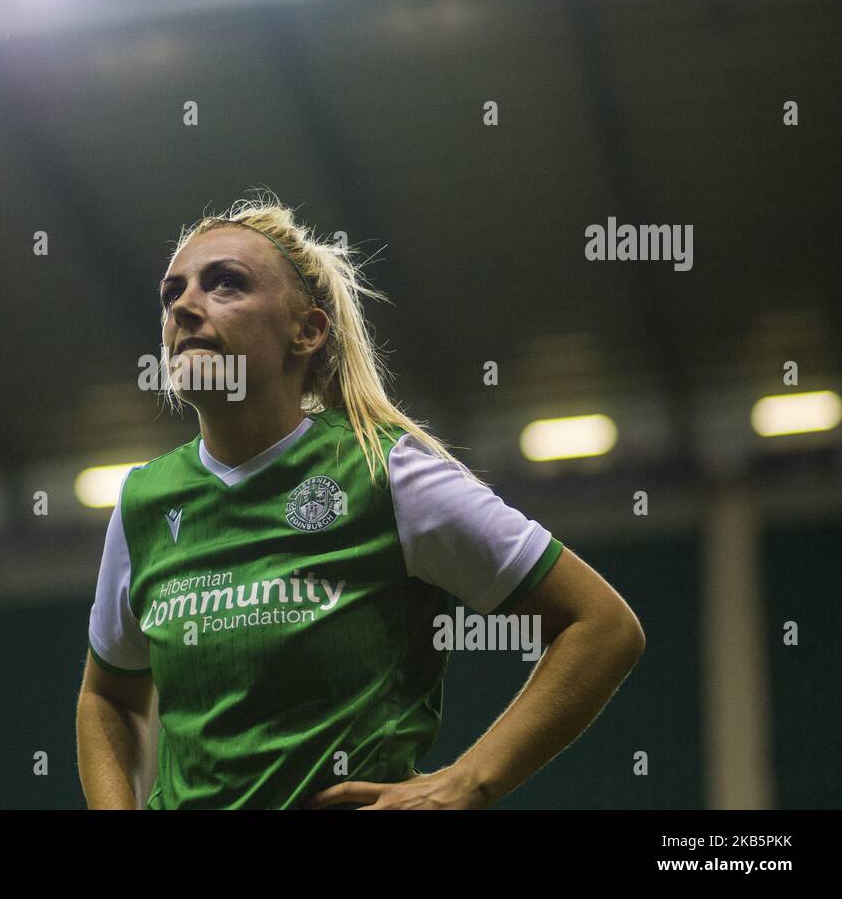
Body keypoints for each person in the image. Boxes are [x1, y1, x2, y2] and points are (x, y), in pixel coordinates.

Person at [76, 192, 645, 809]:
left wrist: (464, 785)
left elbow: (602, 626)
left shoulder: (386, 471)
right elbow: (109, 697)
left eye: (225, 284)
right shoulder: (145, 500)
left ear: (308, 330)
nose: (184, 306)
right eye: (171, 293)